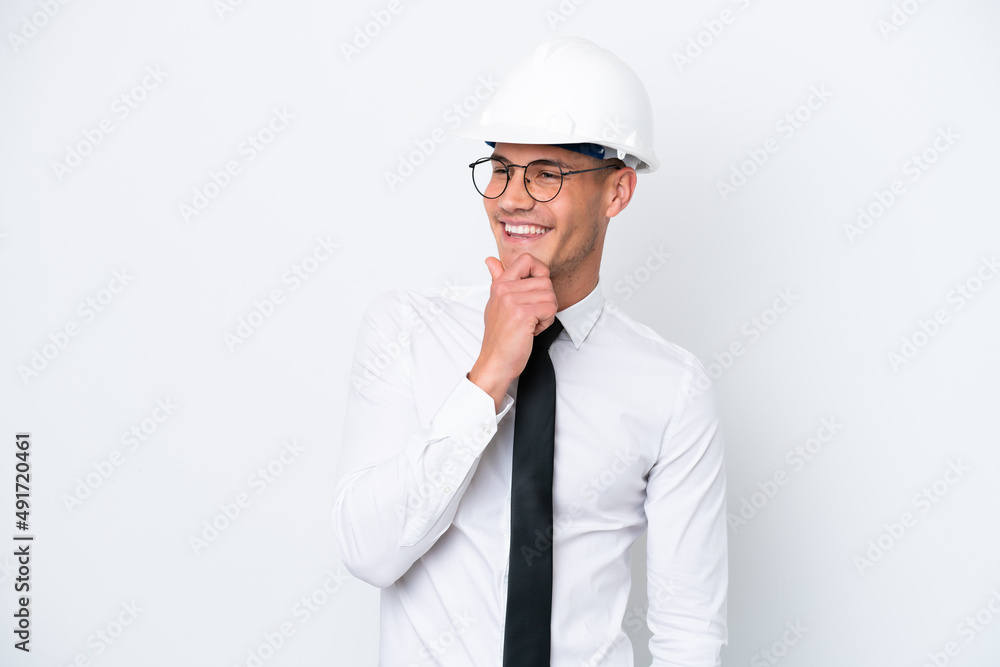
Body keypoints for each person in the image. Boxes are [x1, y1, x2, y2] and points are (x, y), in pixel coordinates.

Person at [332, 37, 727, 666]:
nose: (512, 198)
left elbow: (690, 631)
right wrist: (488, 374)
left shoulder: (671, 388)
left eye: (546, 174)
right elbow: (367, 551)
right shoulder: (405, 330)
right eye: (501, 169)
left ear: (618, 192)